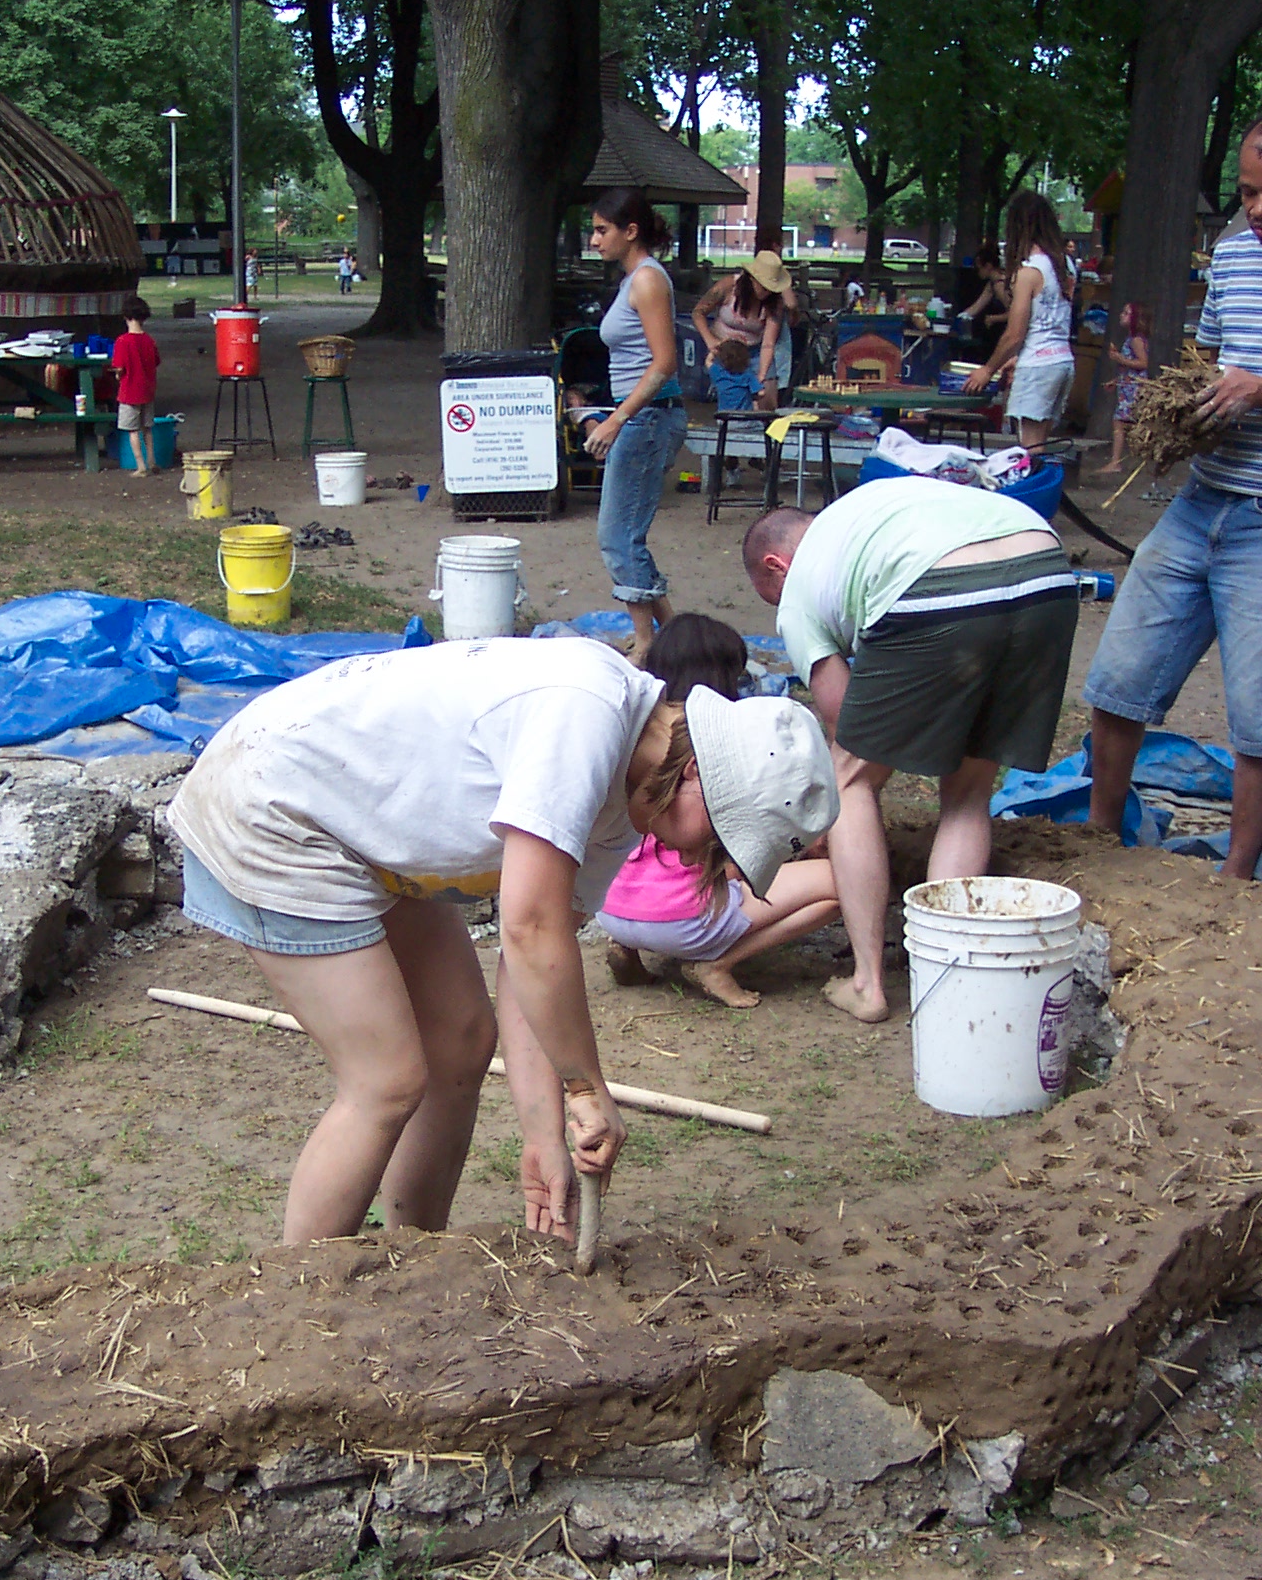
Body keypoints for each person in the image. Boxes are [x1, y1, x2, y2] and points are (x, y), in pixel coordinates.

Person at [167, 635, 837, 1243]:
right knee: (384, 1080)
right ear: (695, 776)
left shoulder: (626, 803)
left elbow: (533, 964)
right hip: (275, 804)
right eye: (717, 840)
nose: (697, 859)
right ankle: (300, 1300)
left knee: (459, 1037)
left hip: (358, 826)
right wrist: (585, 1086)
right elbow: (529, 928)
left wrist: (545, 1135)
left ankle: (415, 1255)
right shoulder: (586, 713)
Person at [743, 477, 1079, 1022]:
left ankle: (868, 984)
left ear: (776, 566)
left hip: (936, 584)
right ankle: (945, 975)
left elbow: (845, 718)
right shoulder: (865, 514)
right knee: (968, 790)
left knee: (849, 779)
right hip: (1047, 573)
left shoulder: (800, 587)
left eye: (771, 596)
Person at [1085, 115, 1262, 882]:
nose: (1256, 208)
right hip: (1201, 501)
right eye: (1248, 191)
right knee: (1119, 677)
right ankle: (1098, 836)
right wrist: (1188, 406)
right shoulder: (1233, 255)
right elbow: (1211, 357)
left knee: (1257, 719)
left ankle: (1237, 877)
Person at [597, 614, 840, 1007]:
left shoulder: (632, 736)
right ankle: (716, 964)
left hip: (606, 906)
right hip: (682, 922)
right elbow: (731, 863)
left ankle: (624, 943)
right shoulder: (731, 757)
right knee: (841, 881)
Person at [590, 188, 690, 662]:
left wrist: (617, 418)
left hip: (648, 419)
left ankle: (649, 645)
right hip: (642, 416)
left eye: (601, 230)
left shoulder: (648, 280)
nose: (594, 240)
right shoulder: (634, 278)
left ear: (631, 231)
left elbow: (665, 363)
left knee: (618, 536)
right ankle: (677, 640)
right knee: (625, 534)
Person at [962, 191, 1075, 448]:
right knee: (1040, 444)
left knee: (1030, 447)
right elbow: (1049, 319)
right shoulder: (1065, 265)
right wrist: (1016, 358)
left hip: (1038, 365)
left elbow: (1014, 333)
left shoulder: (1029, 271)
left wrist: (987, 370)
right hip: (1062, 360)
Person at [693, 250, 801, 409]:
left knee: (767, 399)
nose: (767, 292)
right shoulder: (728, 286)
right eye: (763, 287)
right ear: (751, 279)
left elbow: (768, 343)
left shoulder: (774, 303)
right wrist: (710, 340)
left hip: (755, 350)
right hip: (725, 350)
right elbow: (698, 313)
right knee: (731, 395)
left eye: (771, 289)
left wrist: (762, 374)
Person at [111, 295, 161, 477]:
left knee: (133, 430)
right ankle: (152, 461)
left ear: (125, 316)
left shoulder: (122, 341)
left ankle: (140, 466)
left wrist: (117, 375)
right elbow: (156, 361)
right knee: (147, 429)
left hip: (129, 392)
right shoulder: (149, 340)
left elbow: (119, 367)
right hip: (147, 390)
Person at [1098, 302, 1151, 473]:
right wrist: (1116, 381)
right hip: (1128, 386)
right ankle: (1120, 460)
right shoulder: (1132, 339)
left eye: (1126, 313)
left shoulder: (1136, 340)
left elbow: (1143, 363)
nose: (1122, 315)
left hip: (1133, 389)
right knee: (1122, 422)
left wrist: (1119, 358)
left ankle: (1116, 462)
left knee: (1120, 422)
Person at [956, 241, 1009, 358]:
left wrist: (994, 318)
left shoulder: (1000, 285)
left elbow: (1015, 313)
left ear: (988, 266)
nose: (977, 272)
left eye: (979, 268)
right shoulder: (992, 284)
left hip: (1005, 332)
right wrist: (962, 316)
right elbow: (978, 305)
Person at [707, 337, 761, 414]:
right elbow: (761, 392)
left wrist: (718, 346)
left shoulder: (718, 372)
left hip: (724, 416)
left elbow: (708, 361)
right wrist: (754, 397)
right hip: (744, 416)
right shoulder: (748, 375)